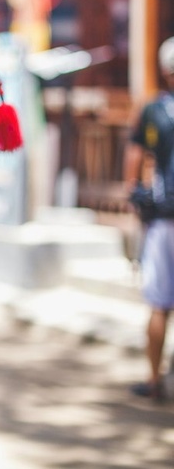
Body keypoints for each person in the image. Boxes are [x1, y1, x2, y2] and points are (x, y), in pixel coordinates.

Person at [124, 35, 174, 403]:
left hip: (164, 219)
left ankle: (155, 379)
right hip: (164, 217)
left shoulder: (155, 110)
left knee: (160, 302)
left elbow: (137, 154)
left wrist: (132, 194)